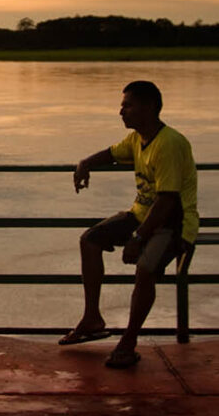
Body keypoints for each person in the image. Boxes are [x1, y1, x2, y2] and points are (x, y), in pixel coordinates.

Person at [59, 80, 198, 368]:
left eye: (128, 105)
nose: (121, 111)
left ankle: (128, 341)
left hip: (174, 223)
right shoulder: (137, 139)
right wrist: (85, 163)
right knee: (90, 240)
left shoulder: (169, 143)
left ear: (150, 108)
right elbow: (111, 154)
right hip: (142, 214)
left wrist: (137, 237)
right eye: (122, 105)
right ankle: (92, 318)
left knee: (145, 268)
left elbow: (168, 201)